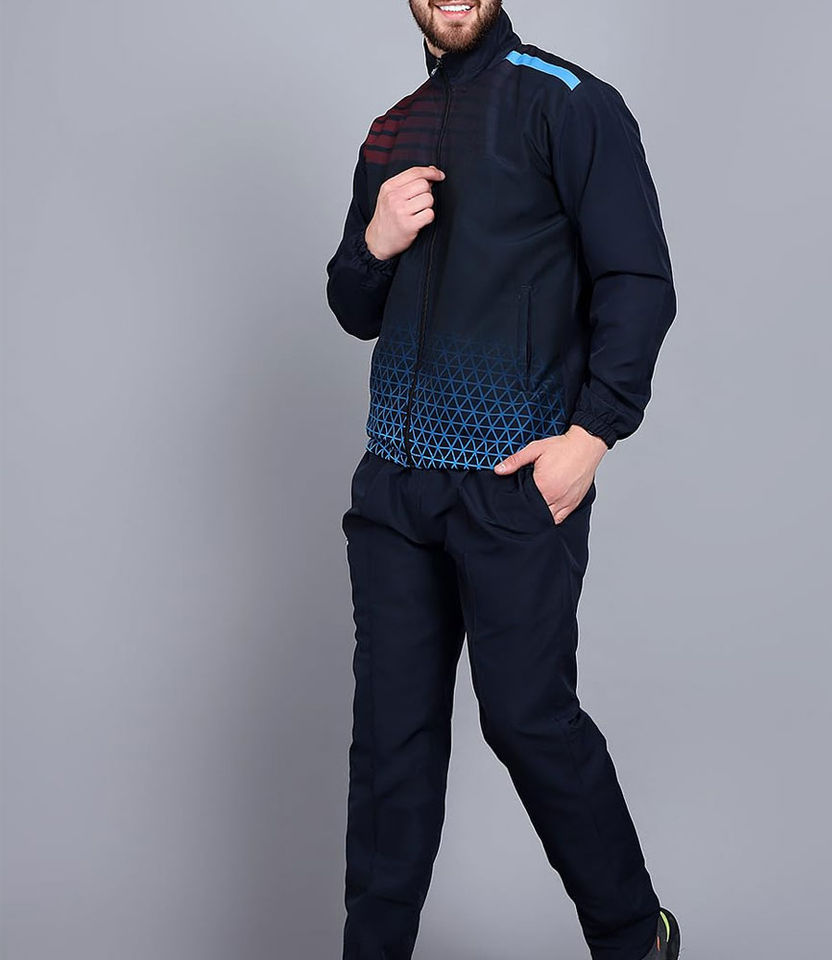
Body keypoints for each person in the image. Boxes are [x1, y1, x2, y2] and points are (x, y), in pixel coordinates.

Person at [325, 2, 680, 957]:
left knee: (527, 719)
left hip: (511, 476)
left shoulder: (568, 102)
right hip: (394, 487)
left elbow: (639, 281)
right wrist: (375, 242)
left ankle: (634, 937)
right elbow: (354, 307)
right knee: (390, 744)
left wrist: (593, 435)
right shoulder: (391, 129)